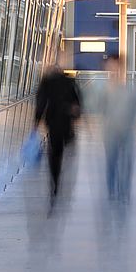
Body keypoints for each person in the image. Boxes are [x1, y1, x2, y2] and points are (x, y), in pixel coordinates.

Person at [34, 64, 82, 200]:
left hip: (53, 123)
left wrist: (36, 123)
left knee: (55, 153)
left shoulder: (46, 82)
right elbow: (78, 103)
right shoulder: (69, 82)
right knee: (62, 148)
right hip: (66, 123)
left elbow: (41, 103)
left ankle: (55, 180)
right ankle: (59, 172)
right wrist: (75, 114)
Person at [100, 54, 136, 202]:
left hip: (127, 131)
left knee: (126, 161)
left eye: (116, 66)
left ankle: (123, 190)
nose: (114, 69)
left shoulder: (130, 90)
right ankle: (112, 190)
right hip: (111, 132)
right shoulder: (104, 89)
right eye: (111, 66)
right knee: (111, 161)